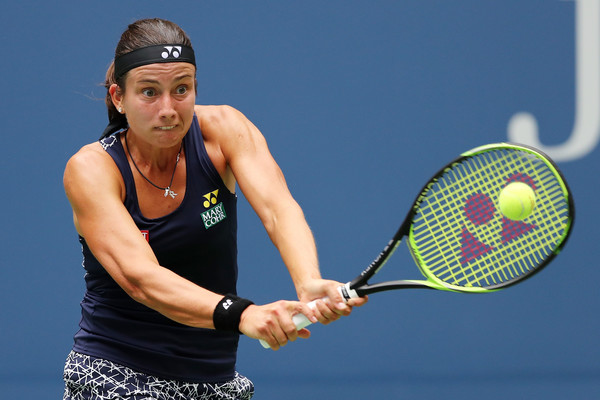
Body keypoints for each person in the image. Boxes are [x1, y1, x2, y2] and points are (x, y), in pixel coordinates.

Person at [62, 18, 366, 400]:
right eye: (149, 92)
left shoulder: (223, 130)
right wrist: (243, 314)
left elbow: (278, 208)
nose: (169, 109)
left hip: (216, 380)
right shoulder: (91, 169)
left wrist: (308, 280)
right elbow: (141, 279)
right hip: (116, 376)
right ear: (119, 98)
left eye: (182, 89)